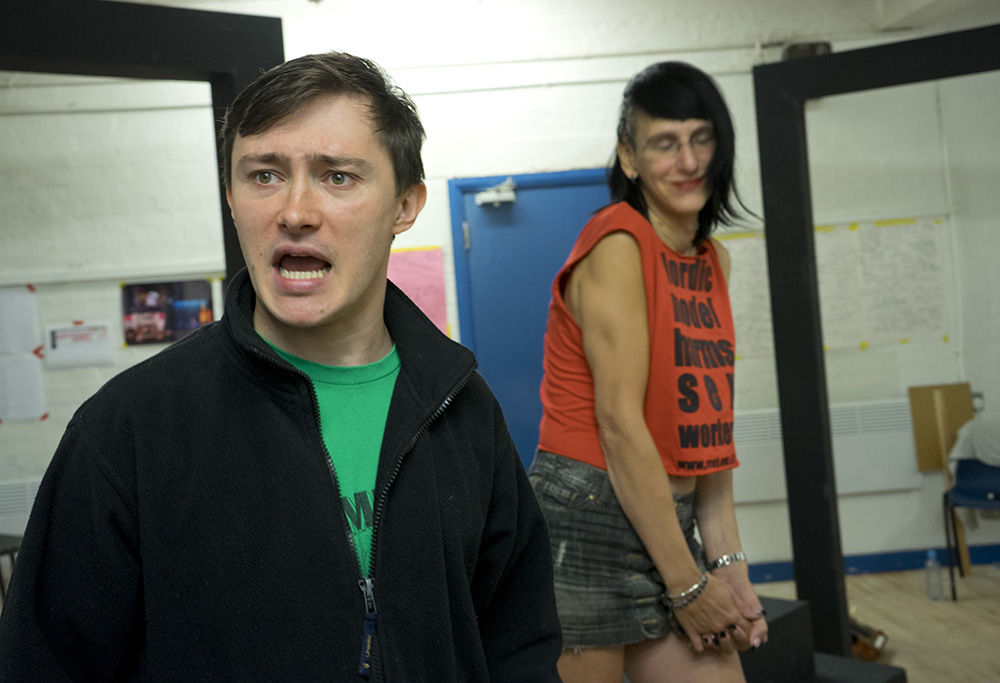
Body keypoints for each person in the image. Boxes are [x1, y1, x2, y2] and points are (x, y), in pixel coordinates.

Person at [0, 51, 562, 682]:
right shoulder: (129, 427)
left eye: (337, 177)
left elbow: (519, 644)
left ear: (405, 205)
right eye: (264, 175)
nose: (295, 211)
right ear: (232, 199)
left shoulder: (461, 406)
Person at [529, 61, 768, 682]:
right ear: (630, 158)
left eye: (701, 138)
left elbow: (710, 439)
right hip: (587, 516)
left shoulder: (713, 261)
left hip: (666, 519)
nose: (687, 161)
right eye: (665, 143)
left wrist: (731, 570)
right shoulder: (618, 243)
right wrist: (688, 586)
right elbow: (619, 425)